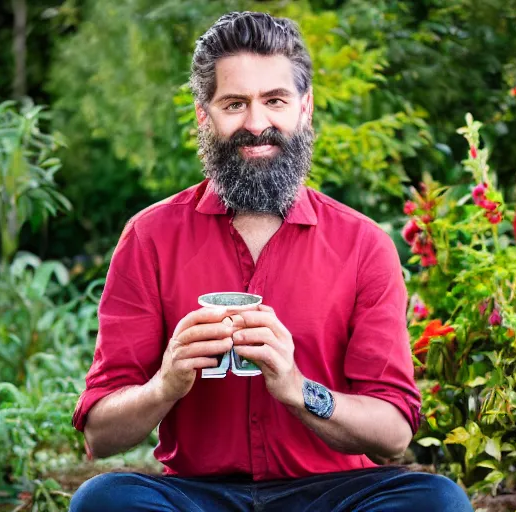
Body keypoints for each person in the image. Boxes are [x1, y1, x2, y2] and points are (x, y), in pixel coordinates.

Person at [69, 11, 473, 512]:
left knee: (436, 500)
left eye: (275, 101)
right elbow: (100, 434)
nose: (256, 124)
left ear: (304, 109)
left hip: (333, 497)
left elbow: (392, 434)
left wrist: (298, 389)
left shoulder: (363, 244)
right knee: (104, 500)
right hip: (198, 496)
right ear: (204, 115)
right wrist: (165, 385)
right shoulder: (150, 237)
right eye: (234, 104)